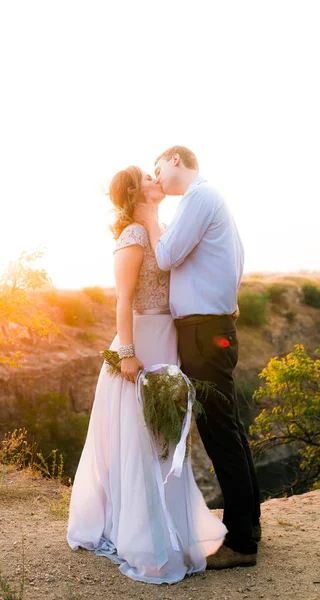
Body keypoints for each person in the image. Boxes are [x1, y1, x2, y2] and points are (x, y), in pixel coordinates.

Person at [66, 165, 227, 584]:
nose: (159, 180)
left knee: (166, 437)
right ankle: (146, 539)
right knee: (141, 439)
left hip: (168, 341)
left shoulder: (161, 229)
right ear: (138, 191)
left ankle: (173, 530)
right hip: (140, 344)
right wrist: (129, 354)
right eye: (150, 177)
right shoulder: (133, 236)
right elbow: (122, 301)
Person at [133, 145, 261, 569]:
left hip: (205, 333)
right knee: (227, 429)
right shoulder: (208, 198)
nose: (156, 176)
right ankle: (247, 528)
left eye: (157, 167)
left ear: (175, 161)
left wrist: (151, 219)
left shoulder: (199, 196)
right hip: (208, 329)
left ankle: (243, 543)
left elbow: (167, 256)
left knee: (220, 432)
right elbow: (235, 257)